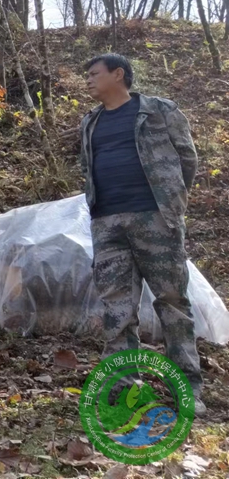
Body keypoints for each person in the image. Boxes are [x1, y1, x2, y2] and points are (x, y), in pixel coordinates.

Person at [81, 53, 205, 414]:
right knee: (117, 308)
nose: (88, 80)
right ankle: (122, 388)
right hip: (107, 224)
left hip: (156, 219)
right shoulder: (90, 121)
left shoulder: (159, 110)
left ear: (118, 75)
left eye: (94, 74)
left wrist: (173, 204)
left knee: (172, 303)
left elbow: (187, 157)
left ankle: (187, 389)